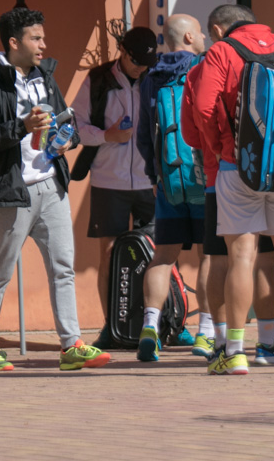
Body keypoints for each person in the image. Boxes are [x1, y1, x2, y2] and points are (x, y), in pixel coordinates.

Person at [0, 7, 110, 371]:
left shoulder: (45, 76)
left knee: (63, 267)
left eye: (43, 38)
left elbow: (66, 120)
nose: (43, 45)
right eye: (36, 38)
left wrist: (67, 140)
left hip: (51, 185)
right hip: (11, 190)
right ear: (14, 42)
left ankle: (71, 344)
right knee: (0, 269)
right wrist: (22, 126)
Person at [191, 4, 274, 375]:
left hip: (240, 166)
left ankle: (234, 351)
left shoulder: (221, 51)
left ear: (220, 30)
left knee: (241, 258)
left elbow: (203, 107)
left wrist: (221, 147)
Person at [71, 26, 157, 350]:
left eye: (146, 63)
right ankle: (112, 325)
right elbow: (76, 126)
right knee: (109, 254)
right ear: (122, 50)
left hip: (150, 181)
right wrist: (108, 136)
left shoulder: (155, 77)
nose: (141, 68)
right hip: (108, 181)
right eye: (136, 61)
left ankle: (162, 323)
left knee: (160, 253)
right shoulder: (98, 79)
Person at [134, 16, 210, 361]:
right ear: (190, 36)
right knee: (210, 255)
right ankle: (206, 332)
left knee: (163, 256)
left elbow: (144, 136)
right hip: (204, 179)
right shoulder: (204, 68)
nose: (205, 36)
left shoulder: (151, 77)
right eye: (200, 31)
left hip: (168, 179)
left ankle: (150, 326)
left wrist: (155, 176)